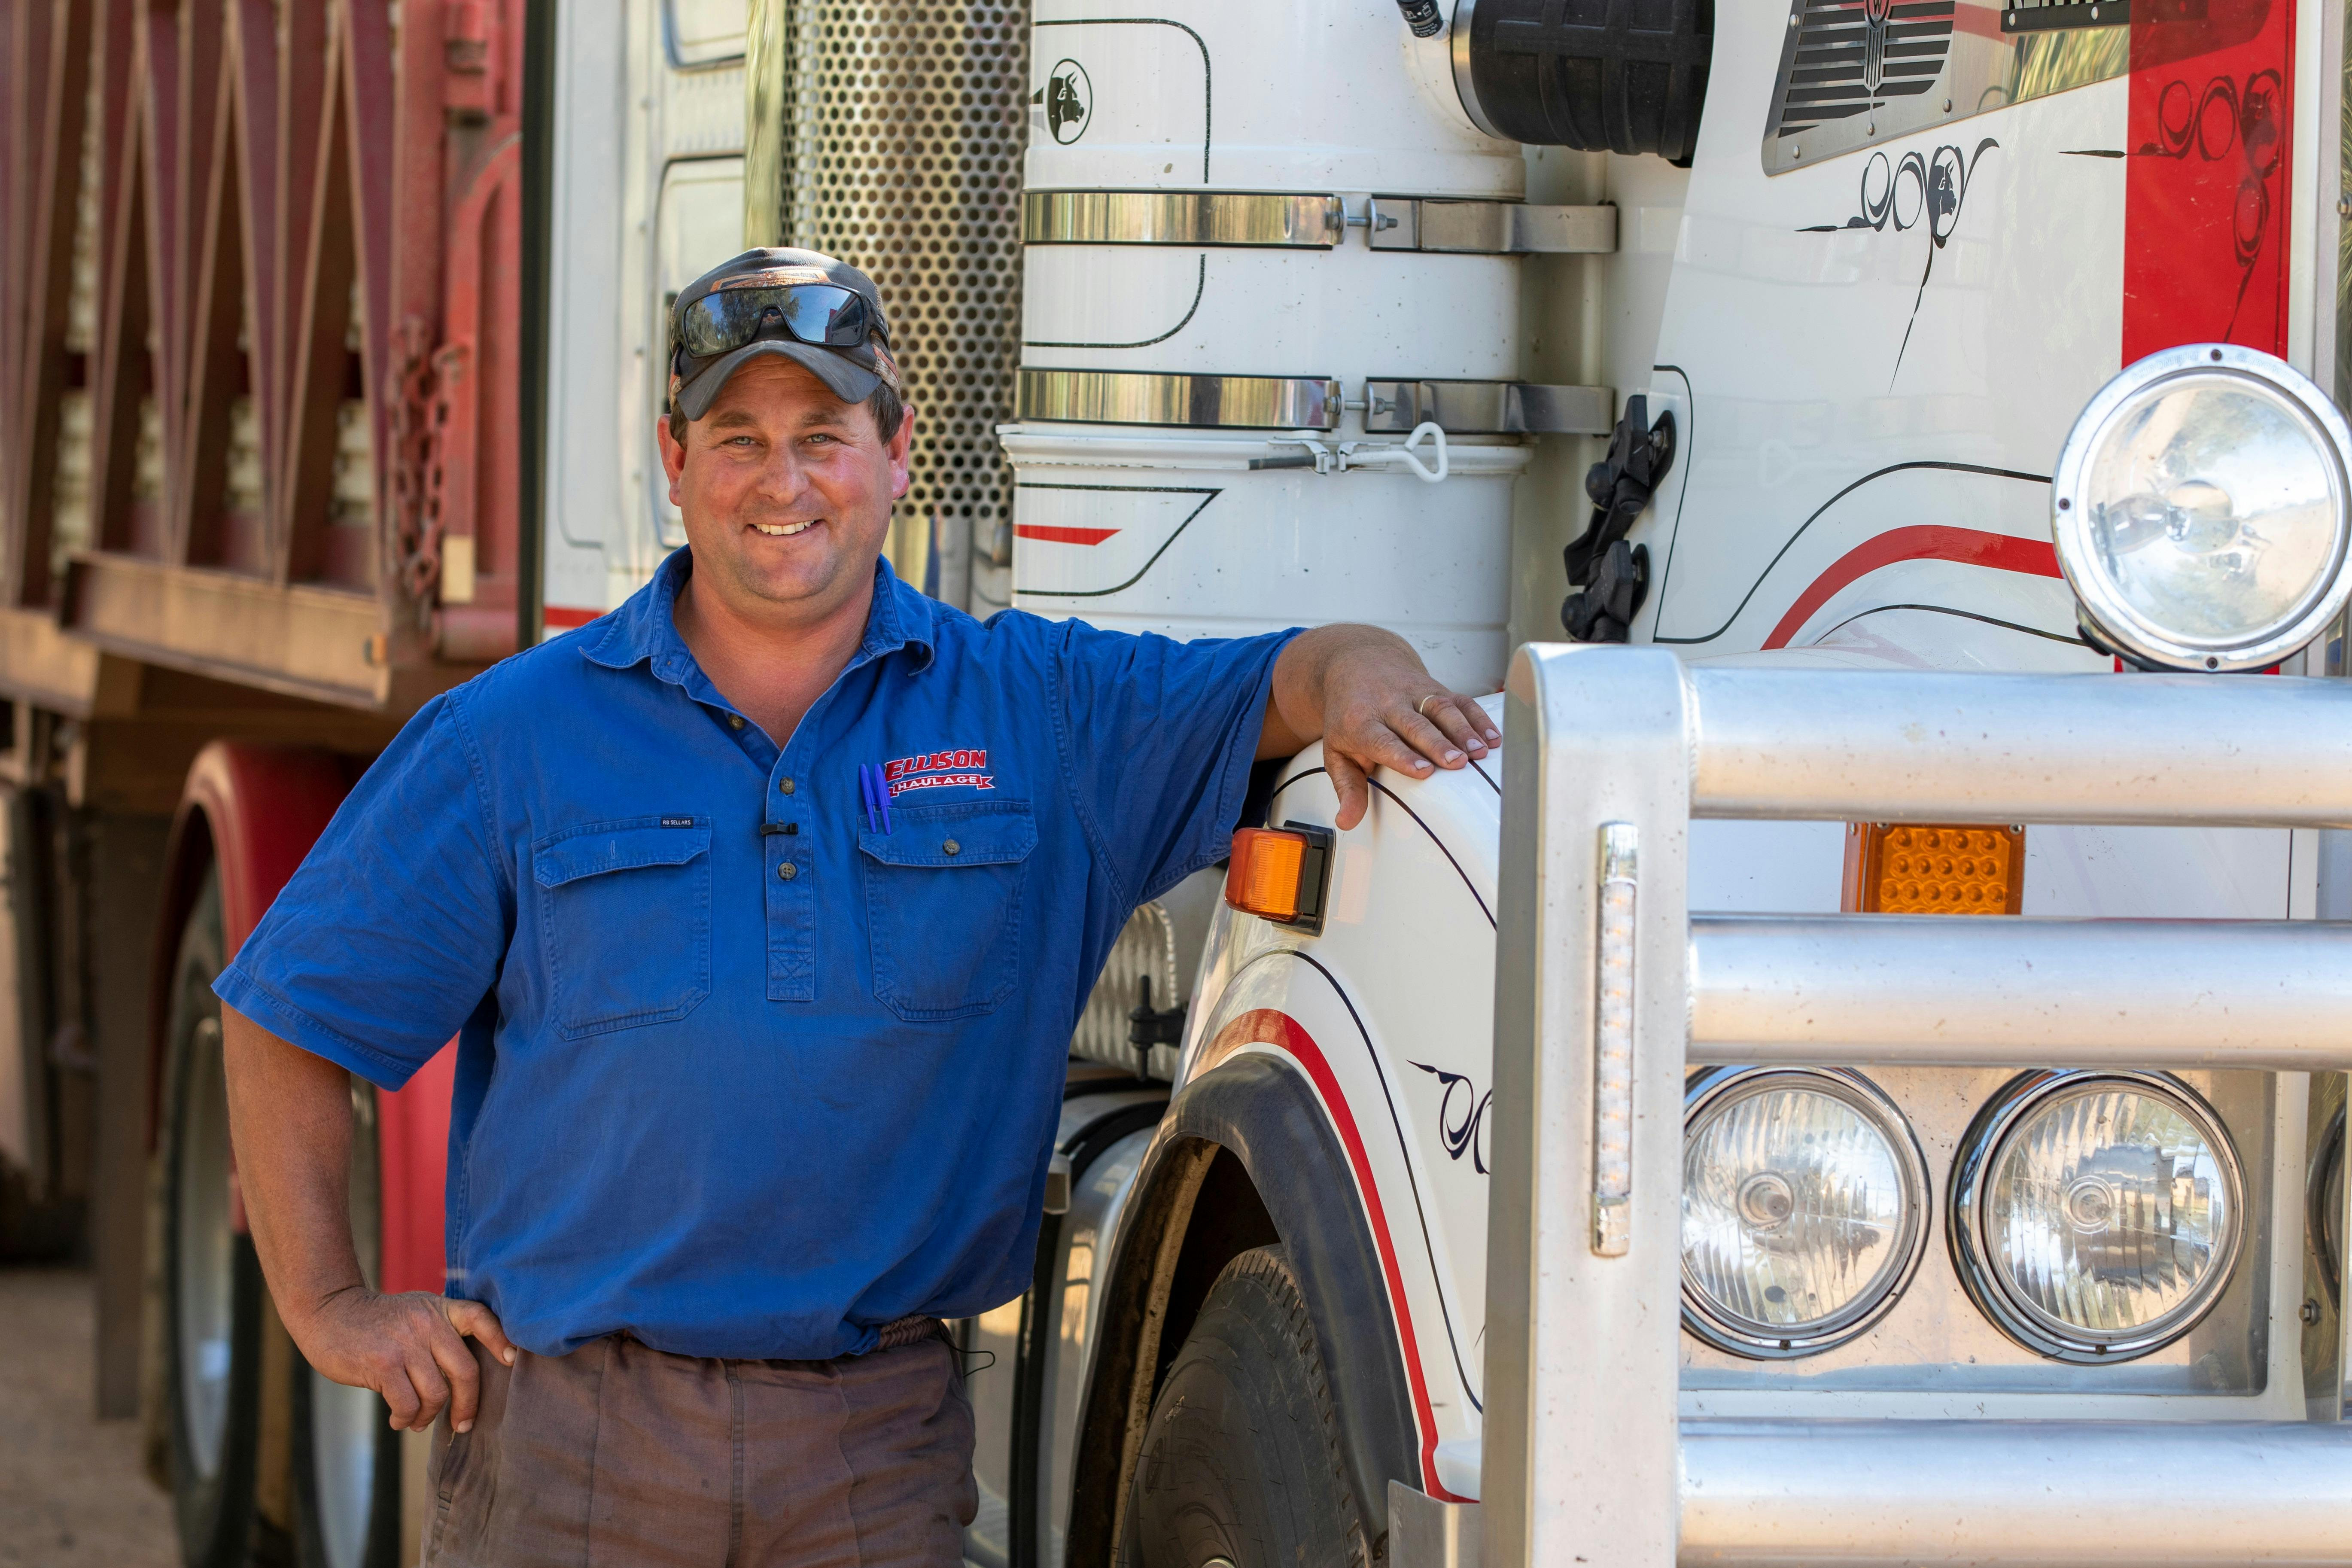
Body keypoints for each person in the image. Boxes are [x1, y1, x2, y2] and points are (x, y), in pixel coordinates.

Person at [218, 249, 1498, 1566]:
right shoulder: (514, 735)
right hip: (571, 1455)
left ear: (894, 455)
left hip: (868, 1461)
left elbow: (1287, 679)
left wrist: (1367, 672)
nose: (783, 481)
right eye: (739, 438)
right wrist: (330, 1305)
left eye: (823, 436)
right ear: (674, 457)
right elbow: (289, 1015)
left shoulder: (1039, 712)